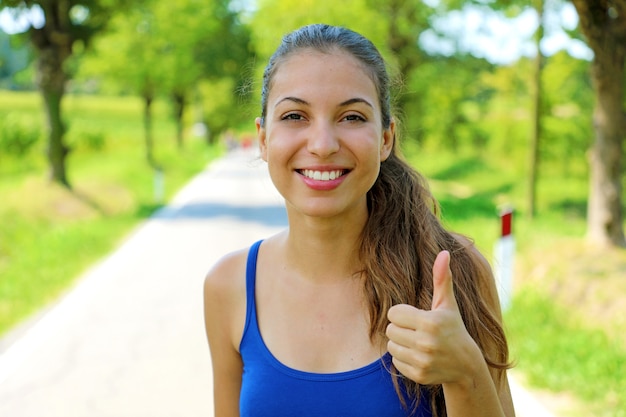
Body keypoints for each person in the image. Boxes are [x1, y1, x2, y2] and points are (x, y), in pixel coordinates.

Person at [204, 23, 516, 417]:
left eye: (351, 117)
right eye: (295, 115)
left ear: (386, 138)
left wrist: (465, 372)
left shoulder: (456, 275)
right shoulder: (228, 287)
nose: (322, 145)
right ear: (263, 138)